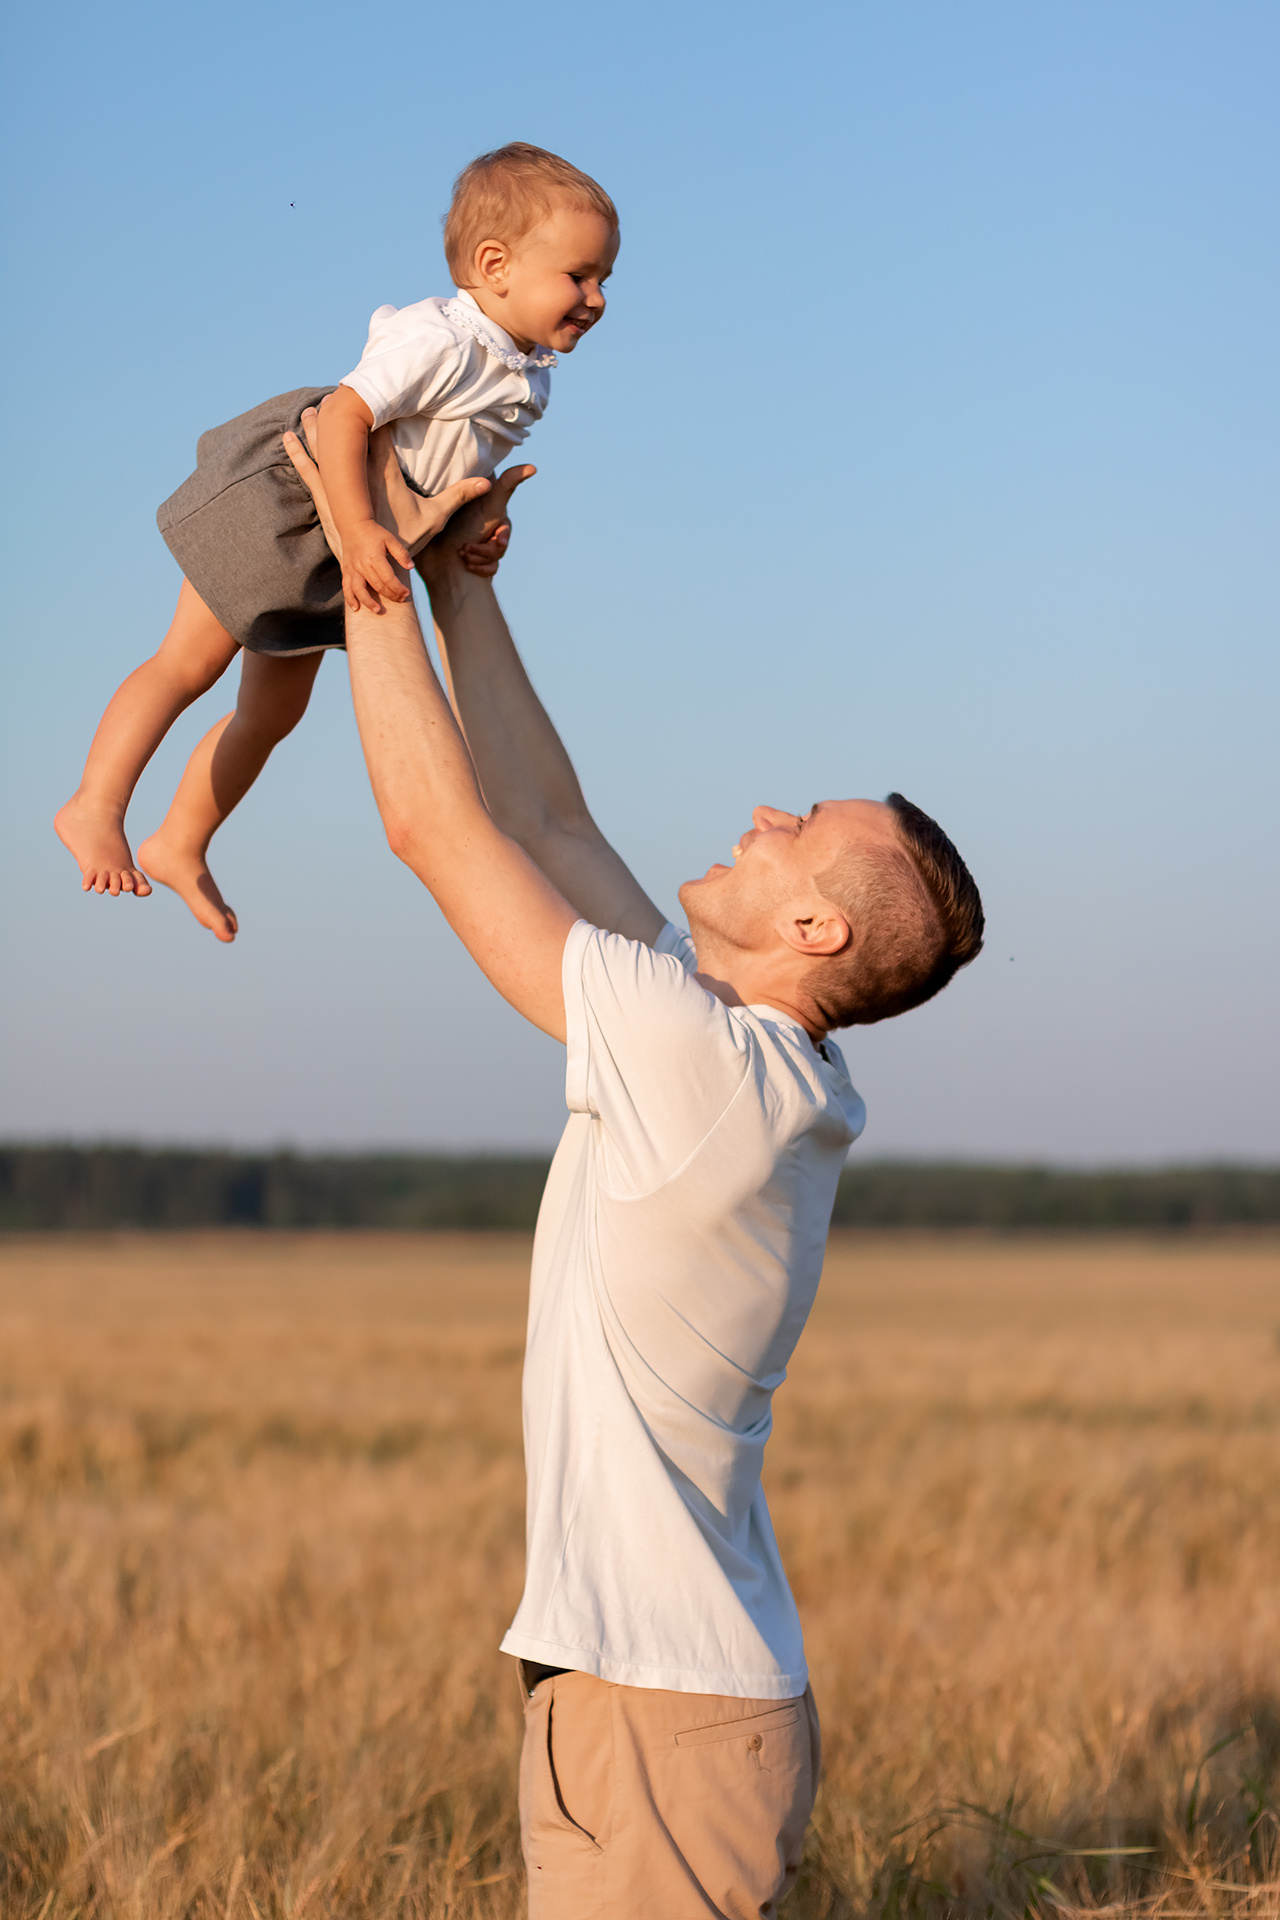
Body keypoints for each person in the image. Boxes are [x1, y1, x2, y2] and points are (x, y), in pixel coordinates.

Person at [284, 420, 985, 1918]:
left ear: (819, 935)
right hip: (652, 1698)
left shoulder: (706, 1071)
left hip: (662, 1715)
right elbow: (543, 821)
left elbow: (438, 827)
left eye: (797, 833)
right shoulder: (740, 1055)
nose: (760, 814)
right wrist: (462, 575)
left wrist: (367, 554)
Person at [54, 143, 618, 941]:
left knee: (271, 714)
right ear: (495, 265)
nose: (597, 299)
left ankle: (180, 838)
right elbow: (350, 412)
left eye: (604, 281)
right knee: (188, 662)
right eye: (580, 276)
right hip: (300, 503)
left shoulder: (528, 372)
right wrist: (355, 528)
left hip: (357, 542)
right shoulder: (442, 338)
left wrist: (484, 524)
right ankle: (94, 803)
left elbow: (456, 465)